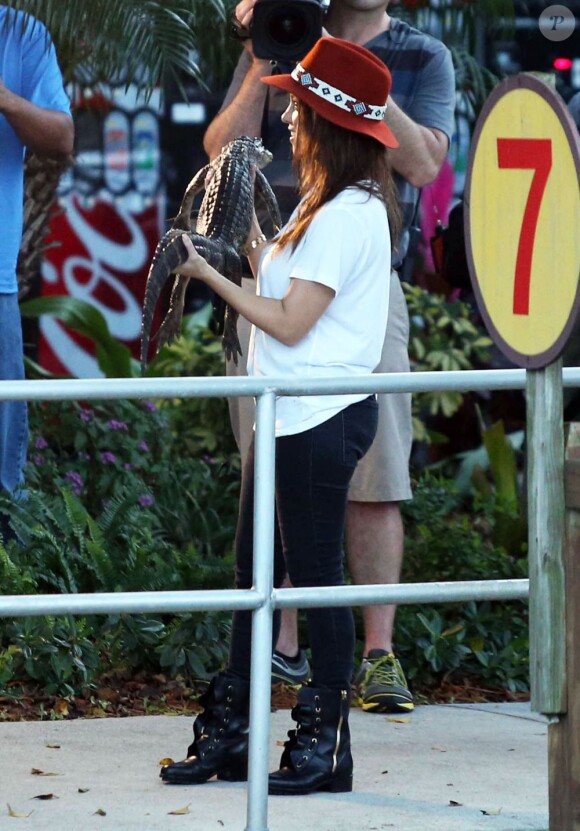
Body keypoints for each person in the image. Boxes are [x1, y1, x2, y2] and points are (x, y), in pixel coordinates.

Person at [160, 35, 401, 794]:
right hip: (291, 415)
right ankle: (235, 730)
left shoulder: (347, 214)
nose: (288, 122)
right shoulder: (326, 204)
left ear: (327, 121)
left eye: (297, 109)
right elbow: (277, 274)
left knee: (314, 578)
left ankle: (324, 744)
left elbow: (291, 321)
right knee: (253, 573)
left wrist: (200, 269)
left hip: (317, 419)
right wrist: (250, 212)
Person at [203, 0, 456, 713]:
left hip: (357, 296)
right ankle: (280, 649)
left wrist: (350, 79)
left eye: (301, 109)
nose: (294, 117)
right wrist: (272, 48)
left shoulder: (420, 56)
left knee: (373, 477)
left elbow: (426, 162)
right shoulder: (283, 35)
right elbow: (224, 147)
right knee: (270, 473)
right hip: (274, 270)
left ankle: (375, 655)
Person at [0, 6, 74, 536]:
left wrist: (3, 97)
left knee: (3, 481)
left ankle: (15, 603)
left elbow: (61, 137)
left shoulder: (20, 32)